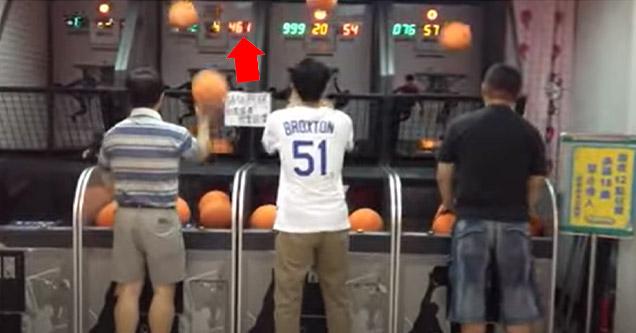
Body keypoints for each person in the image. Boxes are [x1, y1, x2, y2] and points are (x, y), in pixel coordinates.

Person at [97, 67, 215, 333]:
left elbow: (105, 175)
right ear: (161, 98)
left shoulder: (113, 134)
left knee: (127, 290)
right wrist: (204, 122)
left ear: (130, 98)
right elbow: (202, 154)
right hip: (161, 218)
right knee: (164, 291)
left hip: (125, 217)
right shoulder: (174, 133)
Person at [437, 63, 546, 333]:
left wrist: (449, 203)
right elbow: (537, 179)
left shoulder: (461, 126)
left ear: (484, 89)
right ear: (517, 94)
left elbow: (444, 172)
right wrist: (529, 208)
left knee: (470, 297)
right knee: (518, 298)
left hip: (471, 220)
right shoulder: (529, 132)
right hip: (514, 222)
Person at [261, 58, 354, 333]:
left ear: (294, 86)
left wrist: (293, 106)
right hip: (334, 220)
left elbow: (268, 147)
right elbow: (347, 146)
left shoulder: (279, 119)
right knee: (337, 298)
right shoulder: (342, 120)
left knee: (288, 299)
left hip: (294, 222)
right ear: (326, 87)